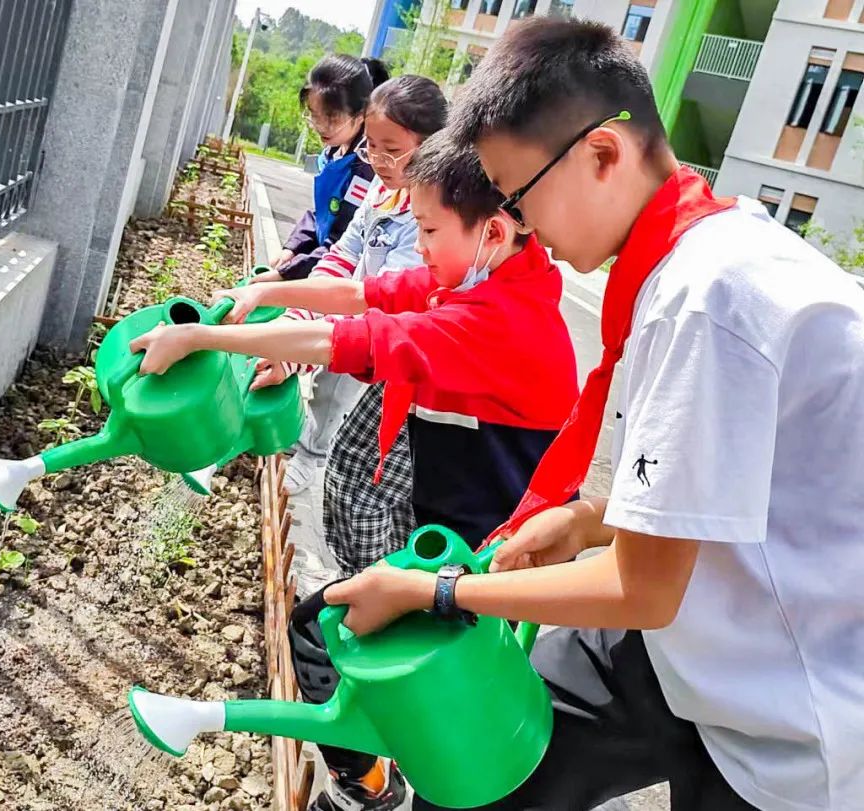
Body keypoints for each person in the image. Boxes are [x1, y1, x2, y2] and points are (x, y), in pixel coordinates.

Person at [323, 17, 864, 811]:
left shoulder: (704, 299)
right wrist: (592, 519)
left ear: (601, 155)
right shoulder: (703, 253)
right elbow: (753, 479)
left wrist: (437, 591)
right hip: (697, 621)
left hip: (783, 710)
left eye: (519, 194)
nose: (522, 221)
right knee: (490, 757)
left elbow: (642, 591)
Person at [129, 131, 579, 810]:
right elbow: (369, 296)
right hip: (457, 538)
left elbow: (340, 341)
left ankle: (367, 784)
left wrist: (202, 337)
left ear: (490, 231)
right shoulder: (483, 278)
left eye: (427, 228)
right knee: (362, 652)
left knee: (329, 630)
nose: (418, 244)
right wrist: (272, 291)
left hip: (487, 564)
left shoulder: (499, 321)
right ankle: (380, 776)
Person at [274, 75, 447, 503]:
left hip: (393, 336)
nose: (379, 161)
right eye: (372, 147)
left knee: (340, 395)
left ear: (433, 146)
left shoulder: (431, 214)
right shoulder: (381, 190)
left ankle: (313, 457)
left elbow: (381, 296)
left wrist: (300, 342)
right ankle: (307, 444)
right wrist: (300, 313)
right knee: (328, 380)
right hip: (360, 313)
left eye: (393, 151)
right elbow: (344, 254)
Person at [252, 54, 387, 285]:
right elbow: (321, 214)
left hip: (341, 276)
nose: (320, 127)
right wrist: (291, 249)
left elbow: (342, 240)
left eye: (332, 119)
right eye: (315, 116)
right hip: (318, 263)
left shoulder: (366, 167)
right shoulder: (335, 152)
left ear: (361, 113)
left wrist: (286, 273)